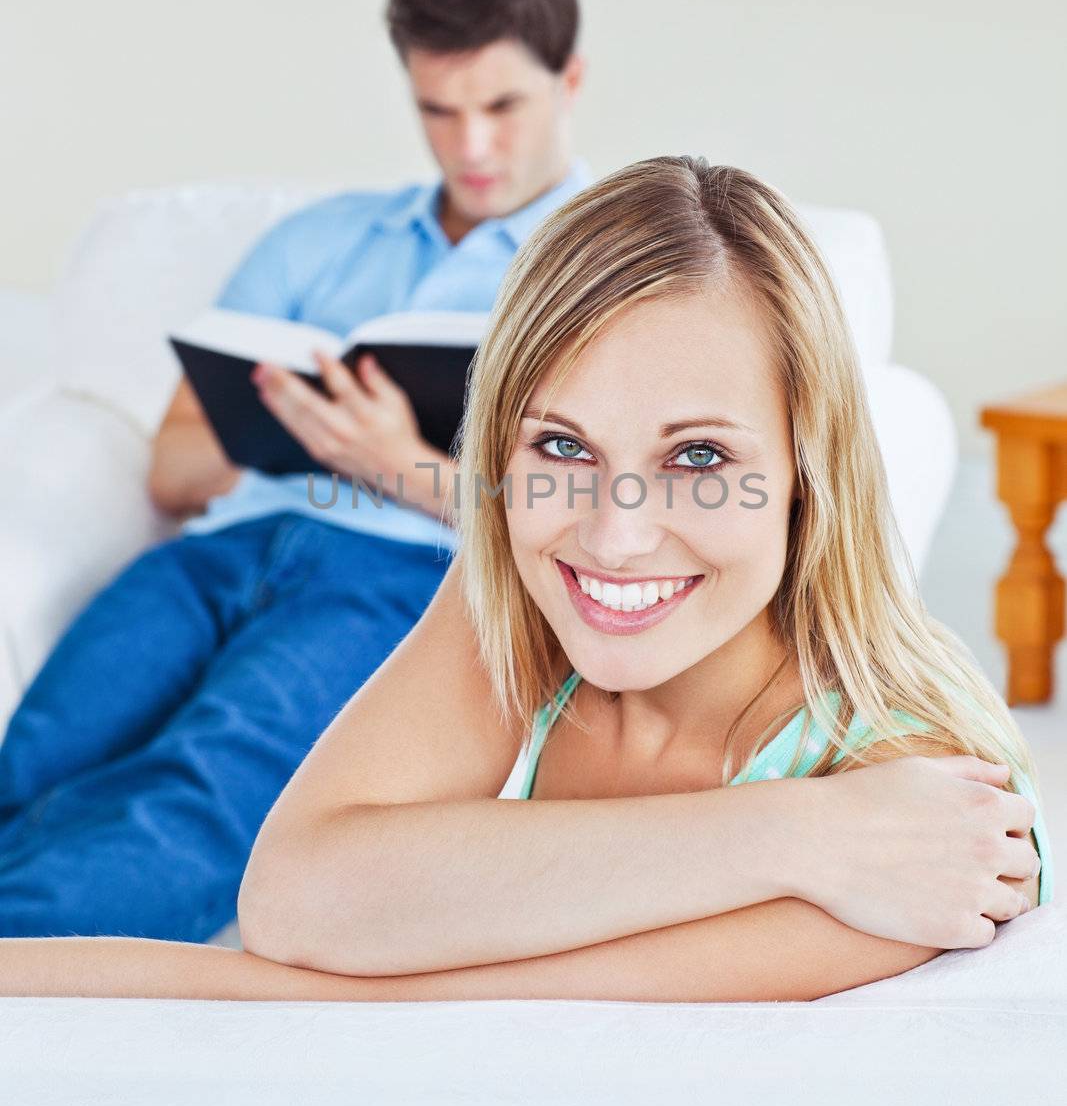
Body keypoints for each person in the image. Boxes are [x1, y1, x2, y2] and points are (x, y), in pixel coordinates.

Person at [0, 157, 1050, 1003]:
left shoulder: (918, 775)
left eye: (697, 458)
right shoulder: (520, 594)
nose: (615, 536)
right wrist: (794, 832)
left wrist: (399, 941)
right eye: (561, 445)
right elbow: (297, 900)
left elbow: (412, 993)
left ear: (803, 474)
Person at [0, 0, 588, 944]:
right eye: (438, 110)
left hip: (403, 580)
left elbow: (590, 515)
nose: (472, 145)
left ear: (567, 81)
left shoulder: (599, 265)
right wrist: (292, 421)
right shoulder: (316, 241)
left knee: (202, 795)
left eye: (501, 104)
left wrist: (394, 464)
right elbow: (174, 470)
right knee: (41, 755)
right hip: (216, 556)